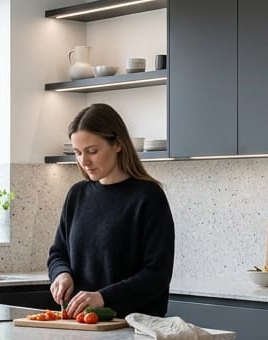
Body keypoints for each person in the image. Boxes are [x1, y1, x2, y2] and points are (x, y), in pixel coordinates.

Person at [48, 103, 175, 318]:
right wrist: (61, 274)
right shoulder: (77, 195)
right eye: (77, 153)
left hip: (134, 327)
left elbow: (157, 275)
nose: (84, 161)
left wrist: (103, 297)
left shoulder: (148, 197)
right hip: (81, 324)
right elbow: (58, 254)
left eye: (92, 151)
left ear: (117, 143)